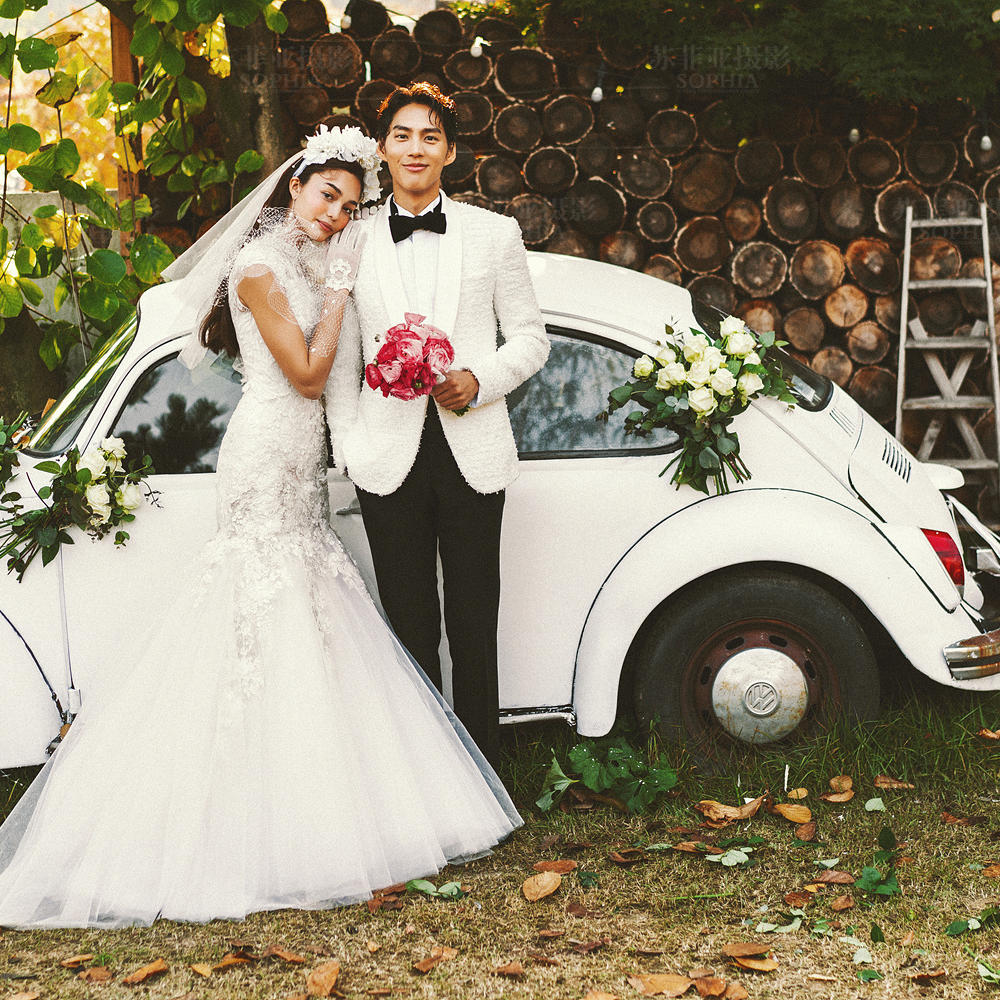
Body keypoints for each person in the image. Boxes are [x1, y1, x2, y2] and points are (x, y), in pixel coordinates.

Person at [0, 125, 521, 930]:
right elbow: (309, 375)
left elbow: (345, 369)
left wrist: (348, 299)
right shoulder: (257, 268)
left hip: (310, 461)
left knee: (311, 608)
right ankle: (242, 805)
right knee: (255, 609)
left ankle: (319, 796)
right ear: (294, 187)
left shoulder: (316, 262)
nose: (334, 215)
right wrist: (341, 291)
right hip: (266, 452)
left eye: (348, 206)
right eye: (326, 196)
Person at [326, 85, 549, 769]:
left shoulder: (494, 234)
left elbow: (531, 338)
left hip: (472, 452)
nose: (415, 148)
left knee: (474, 622)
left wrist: (480, 380)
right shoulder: (352, 236)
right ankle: (426, 778)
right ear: (382, 149)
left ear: (450, 151)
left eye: (430, 136)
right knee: (409, 624)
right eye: (402, 135)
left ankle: (485, 776)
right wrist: (352, 447)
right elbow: (339, 359)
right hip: (386, 459)